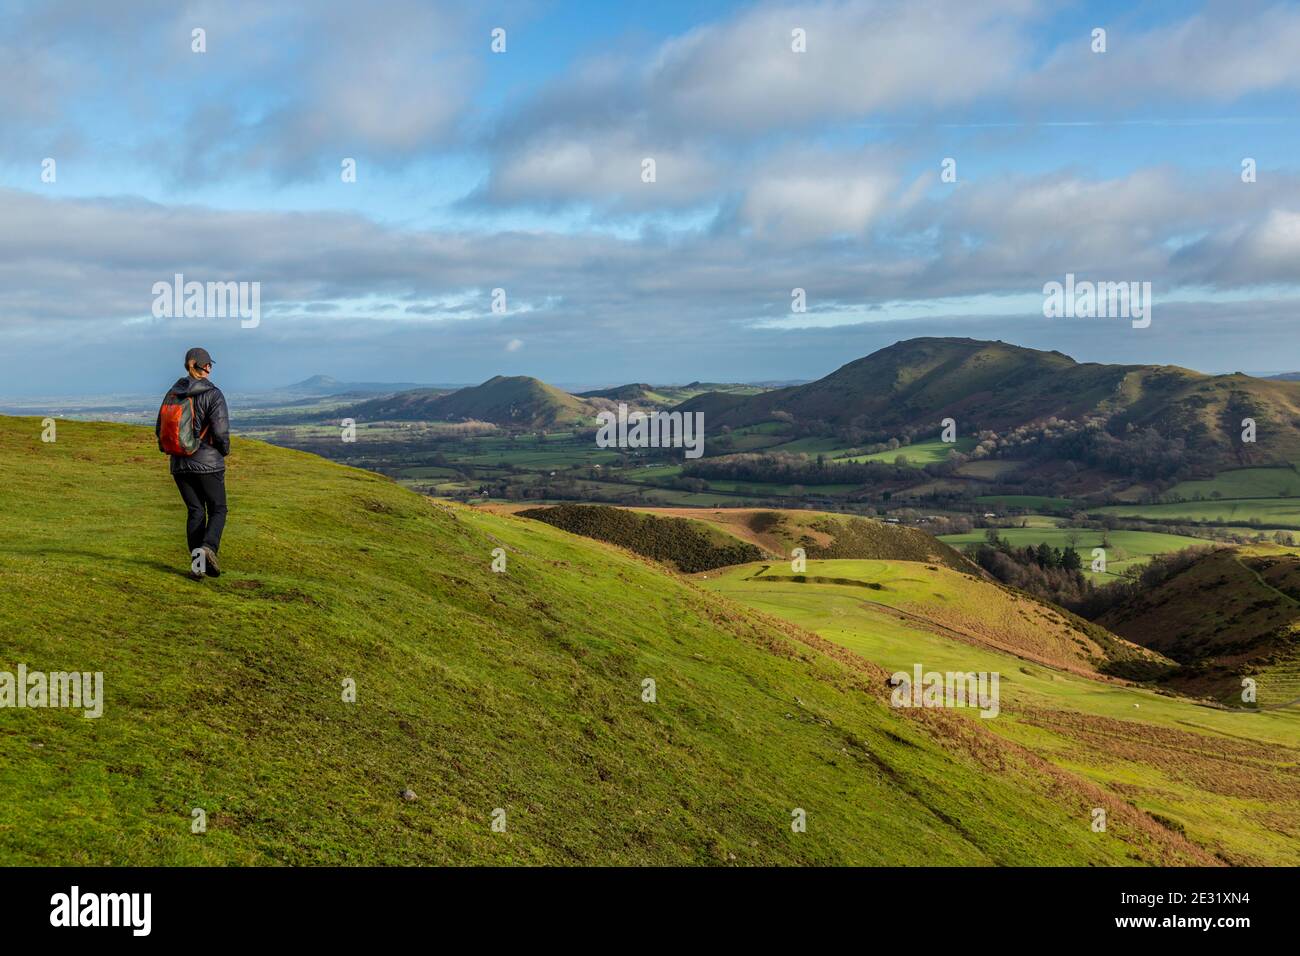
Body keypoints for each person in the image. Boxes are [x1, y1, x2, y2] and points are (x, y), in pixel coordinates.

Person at [156, 347, 230, 579]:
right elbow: (220, 431)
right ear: (197, 364)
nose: (210, 367)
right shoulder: (213, 394)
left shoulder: (172, 392)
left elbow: (160, 429)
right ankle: (209, 548)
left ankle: (197, 568)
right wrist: (224, 450)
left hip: (179, 463)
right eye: (208, 363)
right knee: (218, 508)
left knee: (196, 511)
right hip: (208, 462)